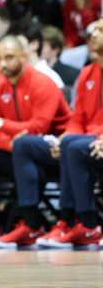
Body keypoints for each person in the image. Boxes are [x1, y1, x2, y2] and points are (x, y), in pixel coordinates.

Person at [0, 36, 70, 247]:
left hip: (53, 147)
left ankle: (30, 225)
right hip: (18, 149)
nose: (3, 64)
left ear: (23, 56)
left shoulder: (42, 83)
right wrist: (7, 143)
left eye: (9, 57)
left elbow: (39, 127)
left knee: (23, 145)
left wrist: (1, 124)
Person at [53, 19, 103, 247]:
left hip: (97, 140)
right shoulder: (86, 73)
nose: (93, 35)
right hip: (88, 139)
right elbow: (77, 118)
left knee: (74, 147)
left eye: (100, 31)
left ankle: (87, 223)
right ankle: (70, 222)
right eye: (93, 31)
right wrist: (65, 135)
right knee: (68, 143)